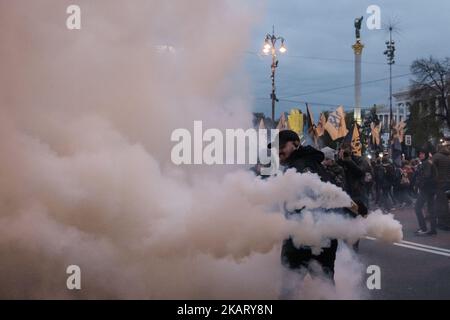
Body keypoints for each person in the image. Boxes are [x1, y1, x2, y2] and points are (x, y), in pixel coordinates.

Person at [268, 130, 338, 293]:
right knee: (325, 287)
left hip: (304, 237)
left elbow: (319, 197)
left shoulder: (302, 165)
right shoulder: (307, 163)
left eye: (281, 146)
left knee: (289, 289)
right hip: (318, 237)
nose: (278, 152)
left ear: (295, 144)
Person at [414, 149, 438, 236]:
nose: (420, 155)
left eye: (422, 153)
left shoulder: (426, 163)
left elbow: (426, 176)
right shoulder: (429, 162)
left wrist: (419, 184)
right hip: (432, 189)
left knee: (417, 207)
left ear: (426, 154)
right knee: (431, 209)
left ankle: (423, 228)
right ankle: (433, 230)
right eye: (420, 153)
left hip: (426, 189)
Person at [431, 142, 450, 230]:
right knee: (445, 204)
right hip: (448, 183)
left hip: (440, 183)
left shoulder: (436, 156)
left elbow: (431, 169)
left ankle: (443, 223)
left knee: (441, 203)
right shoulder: (448, 156)